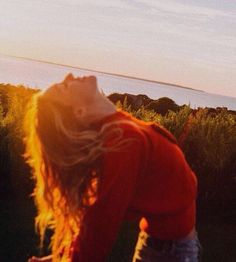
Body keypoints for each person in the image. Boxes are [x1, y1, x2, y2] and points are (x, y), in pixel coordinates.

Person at [25, 74, 201, 262]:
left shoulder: (117, 130)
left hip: (168, 248)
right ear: (79, 112)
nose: (68, 76)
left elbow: (98, 215)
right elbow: (100, 226)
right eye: (64, 87)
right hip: (169, 253)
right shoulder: (123, 141)